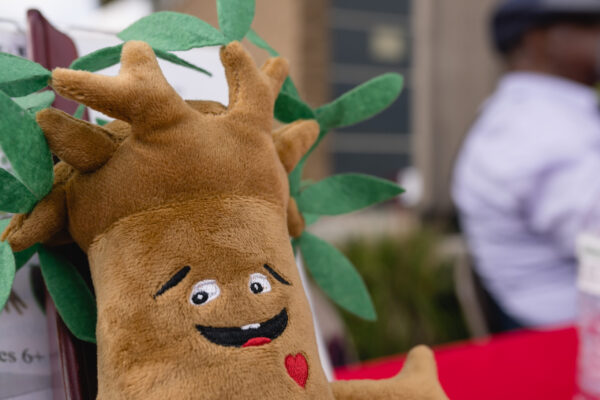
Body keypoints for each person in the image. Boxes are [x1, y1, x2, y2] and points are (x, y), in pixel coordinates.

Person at [453, 0, 600, 330]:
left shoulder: (543, 116)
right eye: (590, 23)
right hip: (564, 345)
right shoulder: (533, 129)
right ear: (539, 40)